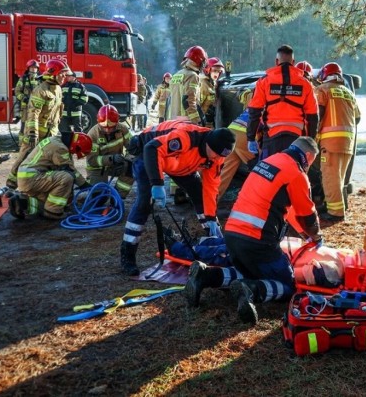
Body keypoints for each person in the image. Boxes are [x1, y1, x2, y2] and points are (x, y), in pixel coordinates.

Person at [184, 136, 322, 324]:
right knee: (288, 285)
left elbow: (288, 211)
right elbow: (307, 215)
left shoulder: (268, 162)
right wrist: (316, 236)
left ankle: (205, 276)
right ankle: (252, 290)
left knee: (249, 270)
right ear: (307, 156)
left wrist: (305, 235)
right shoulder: (296, 173)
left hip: (232, 235)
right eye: (311, 162)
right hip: (257, 241)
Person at [119, 121, 236, 276]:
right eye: (214, 153)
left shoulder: (217, 156)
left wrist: (211, 217)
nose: (216, 158)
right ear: (208, 144)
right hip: (149, 154)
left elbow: (211, 188)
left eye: (220, 156)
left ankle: (214, 239)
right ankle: (128, 254)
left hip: (180, 163)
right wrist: (157, 183)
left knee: (200, 196)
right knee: (144, 203)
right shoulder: (185, 138)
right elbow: (151, 148)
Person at [246, 45, 318, 159]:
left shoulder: (264, 81)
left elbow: (254, 112)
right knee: (294, 174)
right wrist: (310, 140)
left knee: (270, 173)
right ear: (293, 62)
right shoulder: (306, 84)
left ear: (276, 61)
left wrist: (250, 138)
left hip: (271, 138)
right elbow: (313, 116)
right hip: (296, 140)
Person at [6, 59, 69, 189]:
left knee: (48, 159)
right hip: (37, 133)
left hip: (51, 133)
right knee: (25, 156)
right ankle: (11, 184)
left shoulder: (57, 89)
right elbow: (33, 114)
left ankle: (41, 184)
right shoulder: (41, 90)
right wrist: (32, 134)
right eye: (62, 74)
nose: (64, 77)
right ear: (53, 74)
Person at [314, 62, 360, 224]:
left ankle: (335, 212)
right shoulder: (348, 93)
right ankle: (334, 206)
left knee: (330, 177)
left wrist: (313, 136)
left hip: (330, 141)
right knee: (339, 178)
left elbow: (317, 115)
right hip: (348, 142)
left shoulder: (323, 90)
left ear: (325, 75)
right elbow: (358, 118)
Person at [8, 132, 92, 220]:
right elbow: (70, 170)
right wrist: (84, 185)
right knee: (67, 177)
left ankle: (21, 203)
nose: (75, 153)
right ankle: (53, 212)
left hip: (29, 178)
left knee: (49, 201)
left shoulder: (56, 141)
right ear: (76, 145)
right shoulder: (60, 148)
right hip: (33, 177)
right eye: (77, 151)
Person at [85, 105, 134, 198]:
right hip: (97, 169)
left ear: (117, 122)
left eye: (111, 127)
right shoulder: (92, 135)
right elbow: (91, 161)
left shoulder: (122, 129)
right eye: (104, 127)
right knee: (99, 199)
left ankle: (117, 197)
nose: (107, 130)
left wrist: (127, 158)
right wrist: (112, 159)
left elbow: (133, 148)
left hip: (116, 165)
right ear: (98, 122)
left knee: (131, 166)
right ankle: (99, 196)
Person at [217, 90, 257, 200]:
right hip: (245, 135)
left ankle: (207, 203)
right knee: (262, 170)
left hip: (232, 131)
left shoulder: (253, 98)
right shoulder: (272, 104)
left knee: (224, 173)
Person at [168, 46, 208, 125]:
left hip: (172, 119)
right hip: (186, 120)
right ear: (199, 61)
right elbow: (189, 100)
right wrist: (197, 120)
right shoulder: (192, 76)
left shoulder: (176, 75)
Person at [13, 59, 41, 144]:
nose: (33, 69)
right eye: (32, 67)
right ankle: (21, 144)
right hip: (25, 107)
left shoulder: (41, 79)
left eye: (35, 68)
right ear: (28, 68)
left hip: (37, 107)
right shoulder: (24, 79)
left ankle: (36, 144)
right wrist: (23, 98)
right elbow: (17, 91)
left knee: (37, 126)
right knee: (24, 126)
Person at [199, 57, 224, 128]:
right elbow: (197, 106)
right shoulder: (203, 84)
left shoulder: (213, 83)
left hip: (211, 122)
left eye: (219, 72)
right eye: (214, 70)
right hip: (203, 123)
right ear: (208, 70)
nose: (217, 73)